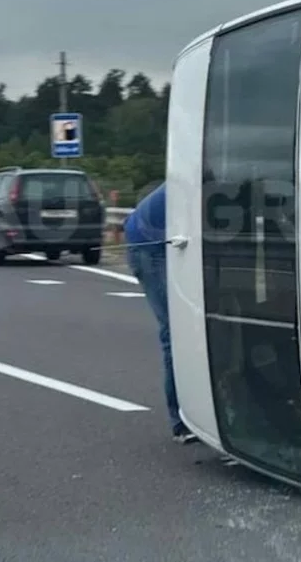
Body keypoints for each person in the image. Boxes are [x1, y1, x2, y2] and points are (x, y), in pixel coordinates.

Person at [124, 182, 199, 444]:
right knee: (175, 331)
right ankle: (180, 421)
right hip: (149, 247)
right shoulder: (210, 181)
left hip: (168, 239)